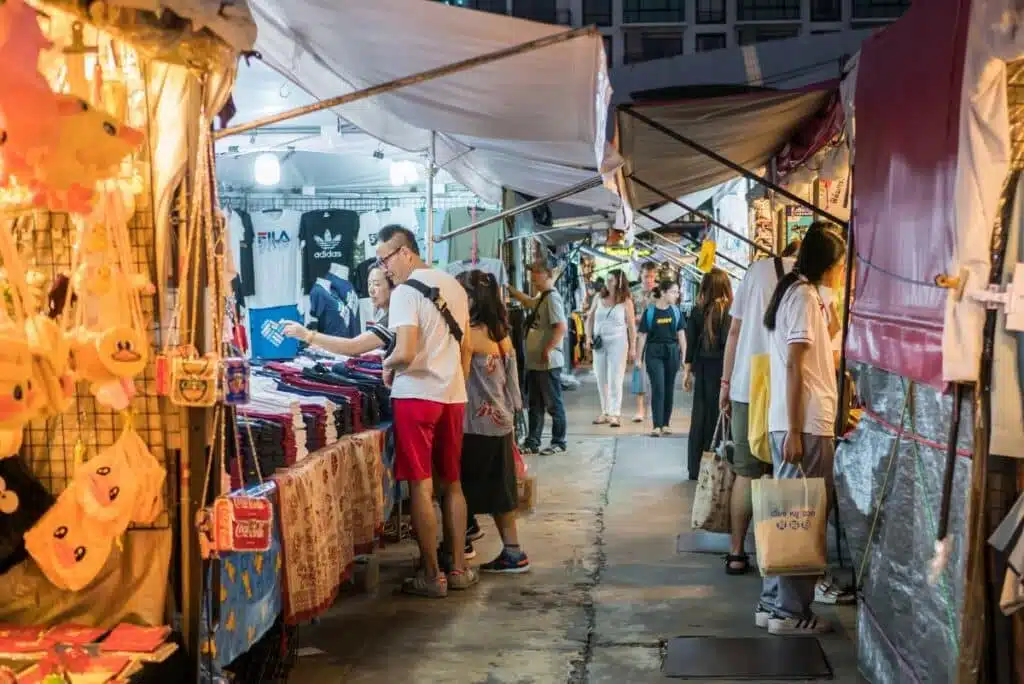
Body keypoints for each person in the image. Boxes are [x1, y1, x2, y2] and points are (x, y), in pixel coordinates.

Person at [376, 224, 477, 598]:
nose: (384, 268)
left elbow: (404, 351)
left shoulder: (404, 293)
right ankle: (459, 569)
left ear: (406, 252)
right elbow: (465, 348)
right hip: (452, 396)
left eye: (385, 259)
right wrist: (455, 382)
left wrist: (388, 366)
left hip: (416, 396)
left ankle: (431, 575)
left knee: (420, 483)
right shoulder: (454, 286)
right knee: (452, 482)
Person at [757, 223, 846, 635]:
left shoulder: (795, 293)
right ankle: (791, 613)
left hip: (793, 422)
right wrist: (795, 430)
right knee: (802, 517)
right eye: (840, 265)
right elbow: (795, 365)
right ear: (829, 265)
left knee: (786, 513)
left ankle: (775, 603)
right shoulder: (804, 297)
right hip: (804, 423)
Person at [717, 240, 800, 576]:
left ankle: (737, 552)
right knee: (789, 472)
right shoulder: (814, 279)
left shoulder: (756, 270)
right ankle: (782, 552)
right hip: (789, 389)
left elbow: (734, 331)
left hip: (747, 384)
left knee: (747, 472)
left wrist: (725, 383)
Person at [455, 269, 530, 574]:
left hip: (475, 424)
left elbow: (458, 378)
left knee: (459, 488)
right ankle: (512, 552)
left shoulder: (468, 336)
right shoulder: (501, 332)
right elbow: (513, 387)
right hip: (502, 421)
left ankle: (458, 545)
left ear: (473, 299)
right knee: (501, 489)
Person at [509, 261, 568, 456]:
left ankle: (559, 441)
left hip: (547, 363)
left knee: (552, 403)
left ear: (548, 274)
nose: (533, 276)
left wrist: (548, 349)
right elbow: (528, 302)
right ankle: (533, 441)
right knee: (535, 405)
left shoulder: (552, 298)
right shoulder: (542, 297)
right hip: (536, 363)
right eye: (532, 272)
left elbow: (561, 327)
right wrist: (508, 288)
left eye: (537, 272)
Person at [683, 268, 732, 480]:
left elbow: (690, 345)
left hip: (703, 370)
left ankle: (697, 468)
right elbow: (731, 344)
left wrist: (687, 374)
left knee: (700, 417)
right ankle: (720, 464)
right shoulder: (729, 311)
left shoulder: (697, 311)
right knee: (721, 416)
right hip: (723, 369)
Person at [282, 266, 395, 354]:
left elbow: (354, 346)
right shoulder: (319, 291)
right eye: (369, 284)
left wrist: (306, 335)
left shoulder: (393, 319)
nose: (371, 290)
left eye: (377, 284)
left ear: (393, 287)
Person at [586, 269, 636, 428]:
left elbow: (632, 326)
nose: (607, 283)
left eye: (611, 280)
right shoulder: (598, 297)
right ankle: (605, 411)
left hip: (618, 343)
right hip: (600, 343)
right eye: (607, 280)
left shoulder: (626, 301)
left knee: (615, 378)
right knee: (601, 377)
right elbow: (590, 318)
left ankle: (615, 413)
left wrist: (633, 347)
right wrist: (588, 337)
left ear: (619, 282)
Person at [636, 279, 686, 437]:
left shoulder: (676, 311)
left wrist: (685, 356)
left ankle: (666, 423)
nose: (676, 295)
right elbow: (642, 336)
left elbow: (681, 335)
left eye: (677, 292)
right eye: (673, 292)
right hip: (654, 352)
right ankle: (656, 425)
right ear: (663, 293)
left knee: (669, 387)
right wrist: (638, 357)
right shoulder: (650, 312)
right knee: (658, 387)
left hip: (671, 351)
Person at [631, 261, 658, 423]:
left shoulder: (660, 293)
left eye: (652, 276)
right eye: (646, 276)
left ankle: (655, 409)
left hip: (656, 338)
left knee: (656, 375)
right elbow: (628, 315)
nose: (649, 279)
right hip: (638, 337)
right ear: (641, 275)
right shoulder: (633, 293)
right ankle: (640, 410)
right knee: (639, 374)